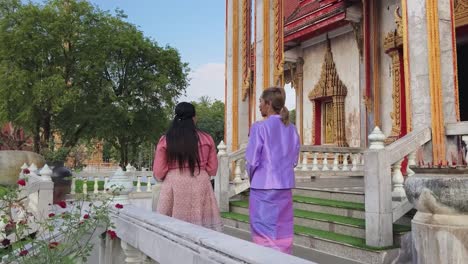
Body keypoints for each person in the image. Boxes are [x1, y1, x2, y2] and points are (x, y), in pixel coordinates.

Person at [245, 87, 300, 254]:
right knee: (282, 230)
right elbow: (294, 160)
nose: (259, 106)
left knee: (263, 232)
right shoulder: (291, 128)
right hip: (284, 186)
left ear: (268, 104)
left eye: (261, 102)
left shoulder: (259, 127)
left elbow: (252, 161)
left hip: (263, 187)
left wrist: (253, 178)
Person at [153, 102, 223, 231]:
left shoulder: (166, 139)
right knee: (202, 229)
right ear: (194, 117)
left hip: (174, 183)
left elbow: (158, 172)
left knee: (172, 230)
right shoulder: (207, 139)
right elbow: (212, 169)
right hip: (200, 181)